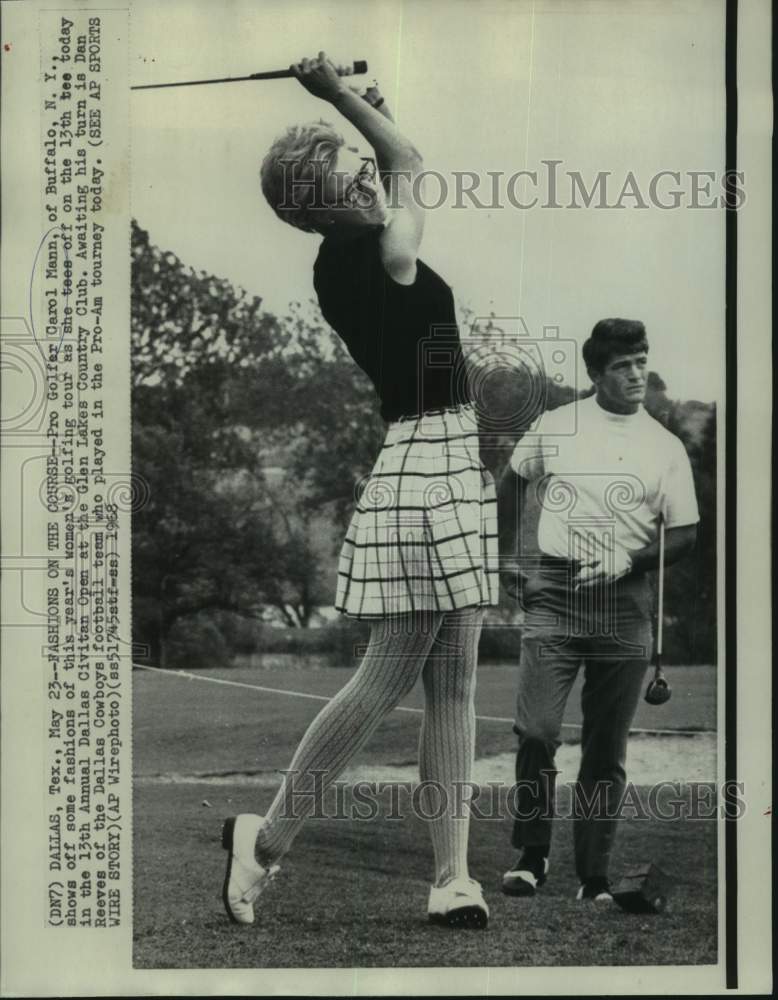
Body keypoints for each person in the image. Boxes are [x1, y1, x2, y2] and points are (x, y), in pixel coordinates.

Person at [221, 53, 498, 929]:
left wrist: (364, 110)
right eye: (349, 178)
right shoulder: (383, 253)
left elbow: (390, 166)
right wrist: (337, 96)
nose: (369, 184)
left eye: (357, 167)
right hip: (425, 473)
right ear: (324, 207)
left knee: (454, 688)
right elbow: (409, 166)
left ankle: (452, 878)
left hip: (448, 466)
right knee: (386, 681)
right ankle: (263, 844)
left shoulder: (347, 255)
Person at [498, 318, 699, 902]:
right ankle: (531, 857)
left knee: (605, 747)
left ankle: (593, 877)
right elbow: (509, 484)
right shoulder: (556, 425)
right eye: (622, 366)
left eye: (641, 361)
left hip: (627, 600)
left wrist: (629, 560)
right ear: (595, 374)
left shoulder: (664, 446)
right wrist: (507, 559)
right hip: (555, 592)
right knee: (536, 731)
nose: (637, 374)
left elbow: (685, 535)